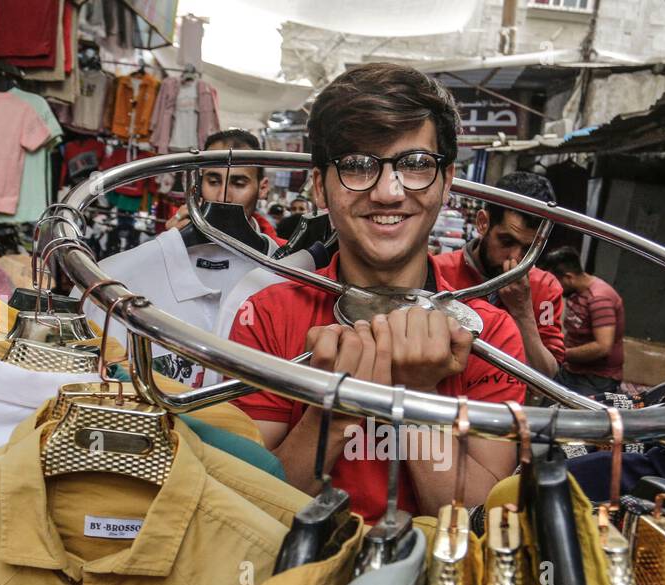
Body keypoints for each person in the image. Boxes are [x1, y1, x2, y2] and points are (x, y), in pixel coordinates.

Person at [229, 63, 526, 523]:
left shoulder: (490, 336)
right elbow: (248, 506)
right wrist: (338, 411)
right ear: (320, 187)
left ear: (446, 183)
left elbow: (473, 523)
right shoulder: (267, 316)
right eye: (357, 165)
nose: (388, 192)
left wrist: (416, 394)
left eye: (414, 165)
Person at [431, 170, 565, 377]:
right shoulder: (439, 270)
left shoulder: (545, 287)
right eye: (506, 241)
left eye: (529, 249)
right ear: (483, 223)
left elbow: (547, 377)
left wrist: (523, 313)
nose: (516, 258)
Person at [165, 128, 285, 248]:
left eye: (239, 184)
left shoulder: (285, 257)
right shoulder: (175, 243)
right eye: (213, 182)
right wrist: (169, 247)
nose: (223, 197)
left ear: (262, 188)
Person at [539, 245, 625, 398]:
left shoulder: (599, 298)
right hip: (571, 369)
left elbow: (602, 347)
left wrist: (561, 354)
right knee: (546, 405)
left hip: (596, 378)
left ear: (569, 277)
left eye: (555, 282)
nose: (553, 287)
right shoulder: (576, 293)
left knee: (569, 416)